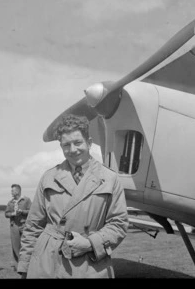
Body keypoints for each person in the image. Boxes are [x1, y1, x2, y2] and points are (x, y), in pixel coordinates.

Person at [17, 114, 128, 278]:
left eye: (77, 142)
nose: (73, 150)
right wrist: (25, 266)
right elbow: (33, 226)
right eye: (66, 145)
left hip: (91, 264)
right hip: (47, 263)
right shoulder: (49, 177)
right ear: (61, 147)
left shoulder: (109, 179)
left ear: (89, 143)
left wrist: (89, 243)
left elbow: (118, 223)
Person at [5, 184, 31, 271]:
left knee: (26, 245)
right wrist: (12, 214)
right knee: (15, 246)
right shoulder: (10, 202)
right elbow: (6, 214)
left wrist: (22, 211)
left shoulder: (26, 200)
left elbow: (31, 211)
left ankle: (27, 264)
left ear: (18, 191)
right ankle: (17, 266)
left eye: (12, 190)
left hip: (24, 225)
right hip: (14, 226)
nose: (11, 192)